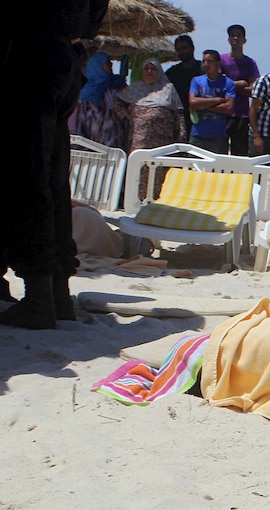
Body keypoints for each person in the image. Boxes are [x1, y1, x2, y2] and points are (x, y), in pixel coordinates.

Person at [0, 0, 109, 329]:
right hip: (63, 58)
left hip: (28, 54)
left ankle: (39, 298)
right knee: (53, 179)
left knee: (25, 177)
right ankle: (57, 293)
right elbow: (92, 22)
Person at [114, 58, 187, 202]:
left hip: (162, 142)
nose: (149, 72)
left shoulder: (168, 89)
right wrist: (128, 116)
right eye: (146, 68)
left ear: (159, 71)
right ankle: (136, 202)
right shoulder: (136, 88)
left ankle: (158, 203)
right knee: (139, 169)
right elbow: (117, 101)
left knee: (159, 172)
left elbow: (179, 113)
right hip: (139, 140)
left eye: (152, 69)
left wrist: (181, 136)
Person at [69, 51, 127, 150]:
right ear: (97, 65)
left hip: (114, 142)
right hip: (91, 144)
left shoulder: (117, 85)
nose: (111, 64)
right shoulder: (85, 92)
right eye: (107, 62)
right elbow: (80, 121)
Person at [220, 24, 260, 156]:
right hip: (223, 113)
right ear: (228, 40)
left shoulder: (250, 63)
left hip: (242, 115)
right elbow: (218, 85)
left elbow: (254, 90)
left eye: (238, 35)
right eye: (232, 35)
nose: (235, 38)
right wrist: (239, 84)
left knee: (240, 155)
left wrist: (229, 85)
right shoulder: (221, 60)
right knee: (220, 155)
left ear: (244, 40)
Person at [188, 50, 236, 154]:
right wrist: (217, 100)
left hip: (218, 137)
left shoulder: (228, 83)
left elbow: (228, 108)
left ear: (218, 63)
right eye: (204, 61)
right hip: (197, 135)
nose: (205, 64)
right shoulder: (196, 81)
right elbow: (192, 102)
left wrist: (203, 105)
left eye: (209, 61)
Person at [165, 34, 203, 139]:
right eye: (178, 49)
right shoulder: (172, 72)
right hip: (180, 118)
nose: (182, 52)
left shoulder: (203, 69)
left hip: (201, 116)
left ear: (192, 48)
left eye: (184, 48)